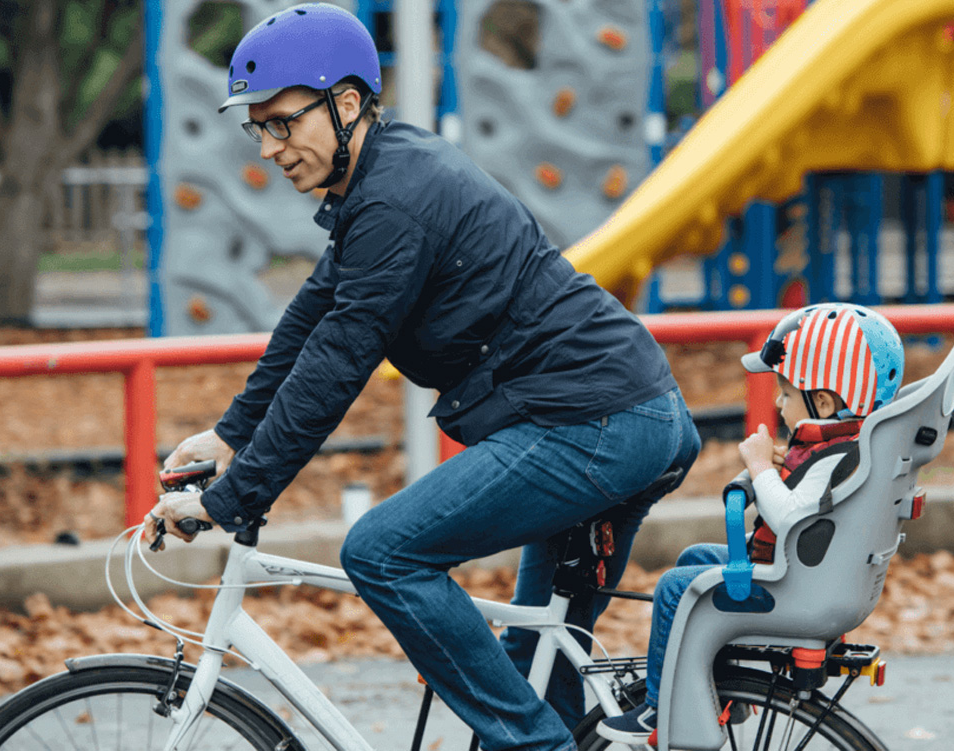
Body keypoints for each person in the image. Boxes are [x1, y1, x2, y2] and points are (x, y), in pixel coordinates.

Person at [148, 5, 701, 750]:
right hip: (621, 412)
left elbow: (341, 359)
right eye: (258, 128)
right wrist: (229, 434)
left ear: (345, 104)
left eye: (282, 122)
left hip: (591, 422)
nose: (270, 147)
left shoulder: (394, 198)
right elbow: (313, 319)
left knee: (381, 551)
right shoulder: (380, 180)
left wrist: (236, 496)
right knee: (534, 669)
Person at [597, 303, 904, 745]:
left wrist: (760, 469)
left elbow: (789, 518)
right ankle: (720, 686)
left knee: (674, 588)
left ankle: (657, 709)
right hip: (810, 577)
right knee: (696, 559)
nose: (778, 403)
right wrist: (784, 471)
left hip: (796, 587)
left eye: (785, 391)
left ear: (822, 400)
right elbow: (806, 504)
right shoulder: (848, 448)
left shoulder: (835, 458)